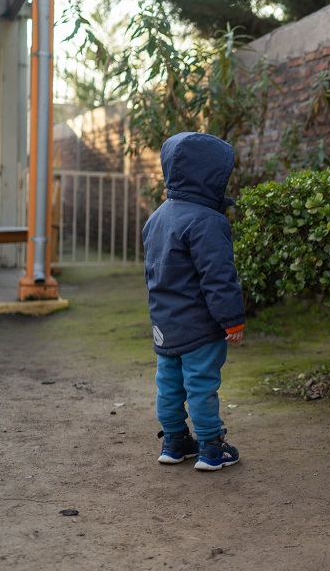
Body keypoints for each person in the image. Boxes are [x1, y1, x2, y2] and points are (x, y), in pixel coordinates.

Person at [142, 132, 245, 471]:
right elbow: (218, 277)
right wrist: (232, 319)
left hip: (164, 325)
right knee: (200, 385)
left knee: (168, 386)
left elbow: (154, 272)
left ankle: (173, 442)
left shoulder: (156, 217)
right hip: (200, 327)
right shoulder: (208, 222)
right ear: (210, 176)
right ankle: (211, 447)